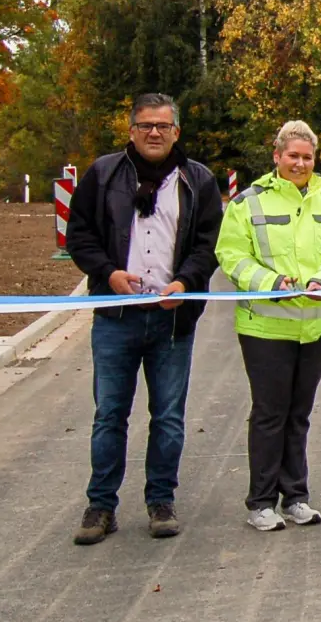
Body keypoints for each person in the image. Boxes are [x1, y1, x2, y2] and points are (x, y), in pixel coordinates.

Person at [66, 92, 222, 545]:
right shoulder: (103, 174)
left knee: (168, 416)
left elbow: (209, 244)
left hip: (173, 320)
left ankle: (161, 500)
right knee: (109, 414)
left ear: (177, 132)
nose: (154, 133)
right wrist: (107, 273)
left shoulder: (198, 180)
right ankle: (100, 506)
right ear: (131, 130)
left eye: (163, 126)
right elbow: (80, 235)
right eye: (145, 125)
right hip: (117, 317)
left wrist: (186, 282)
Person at [214, 120, 321, 531]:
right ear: (277, 156)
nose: (300, 163)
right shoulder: (248, 203)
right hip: (265, 328)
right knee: (270, 413)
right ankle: (261, 502)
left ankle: (295, 496)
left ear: (315, 159)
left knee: (300, 414)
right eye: (292, 155)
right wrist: (270, 284)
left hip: (316, 326)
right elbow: (231, 255)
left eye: (307, 157)